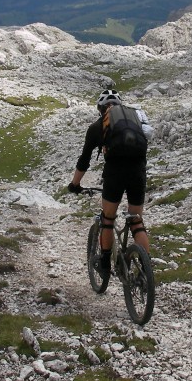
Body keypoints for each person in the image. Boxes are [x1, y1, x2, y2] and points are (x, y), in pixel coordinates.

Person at [68, 89, 152, 278]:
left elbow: (84, 161)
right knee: (136, 220)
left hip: (115, 174)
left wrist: (75, 184)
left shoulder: (97, 127)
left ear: (100, 108)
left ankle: (105, 265)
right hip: (138, 172)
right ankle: (146, 272)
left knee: (108, 218)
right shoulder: (135, 120)